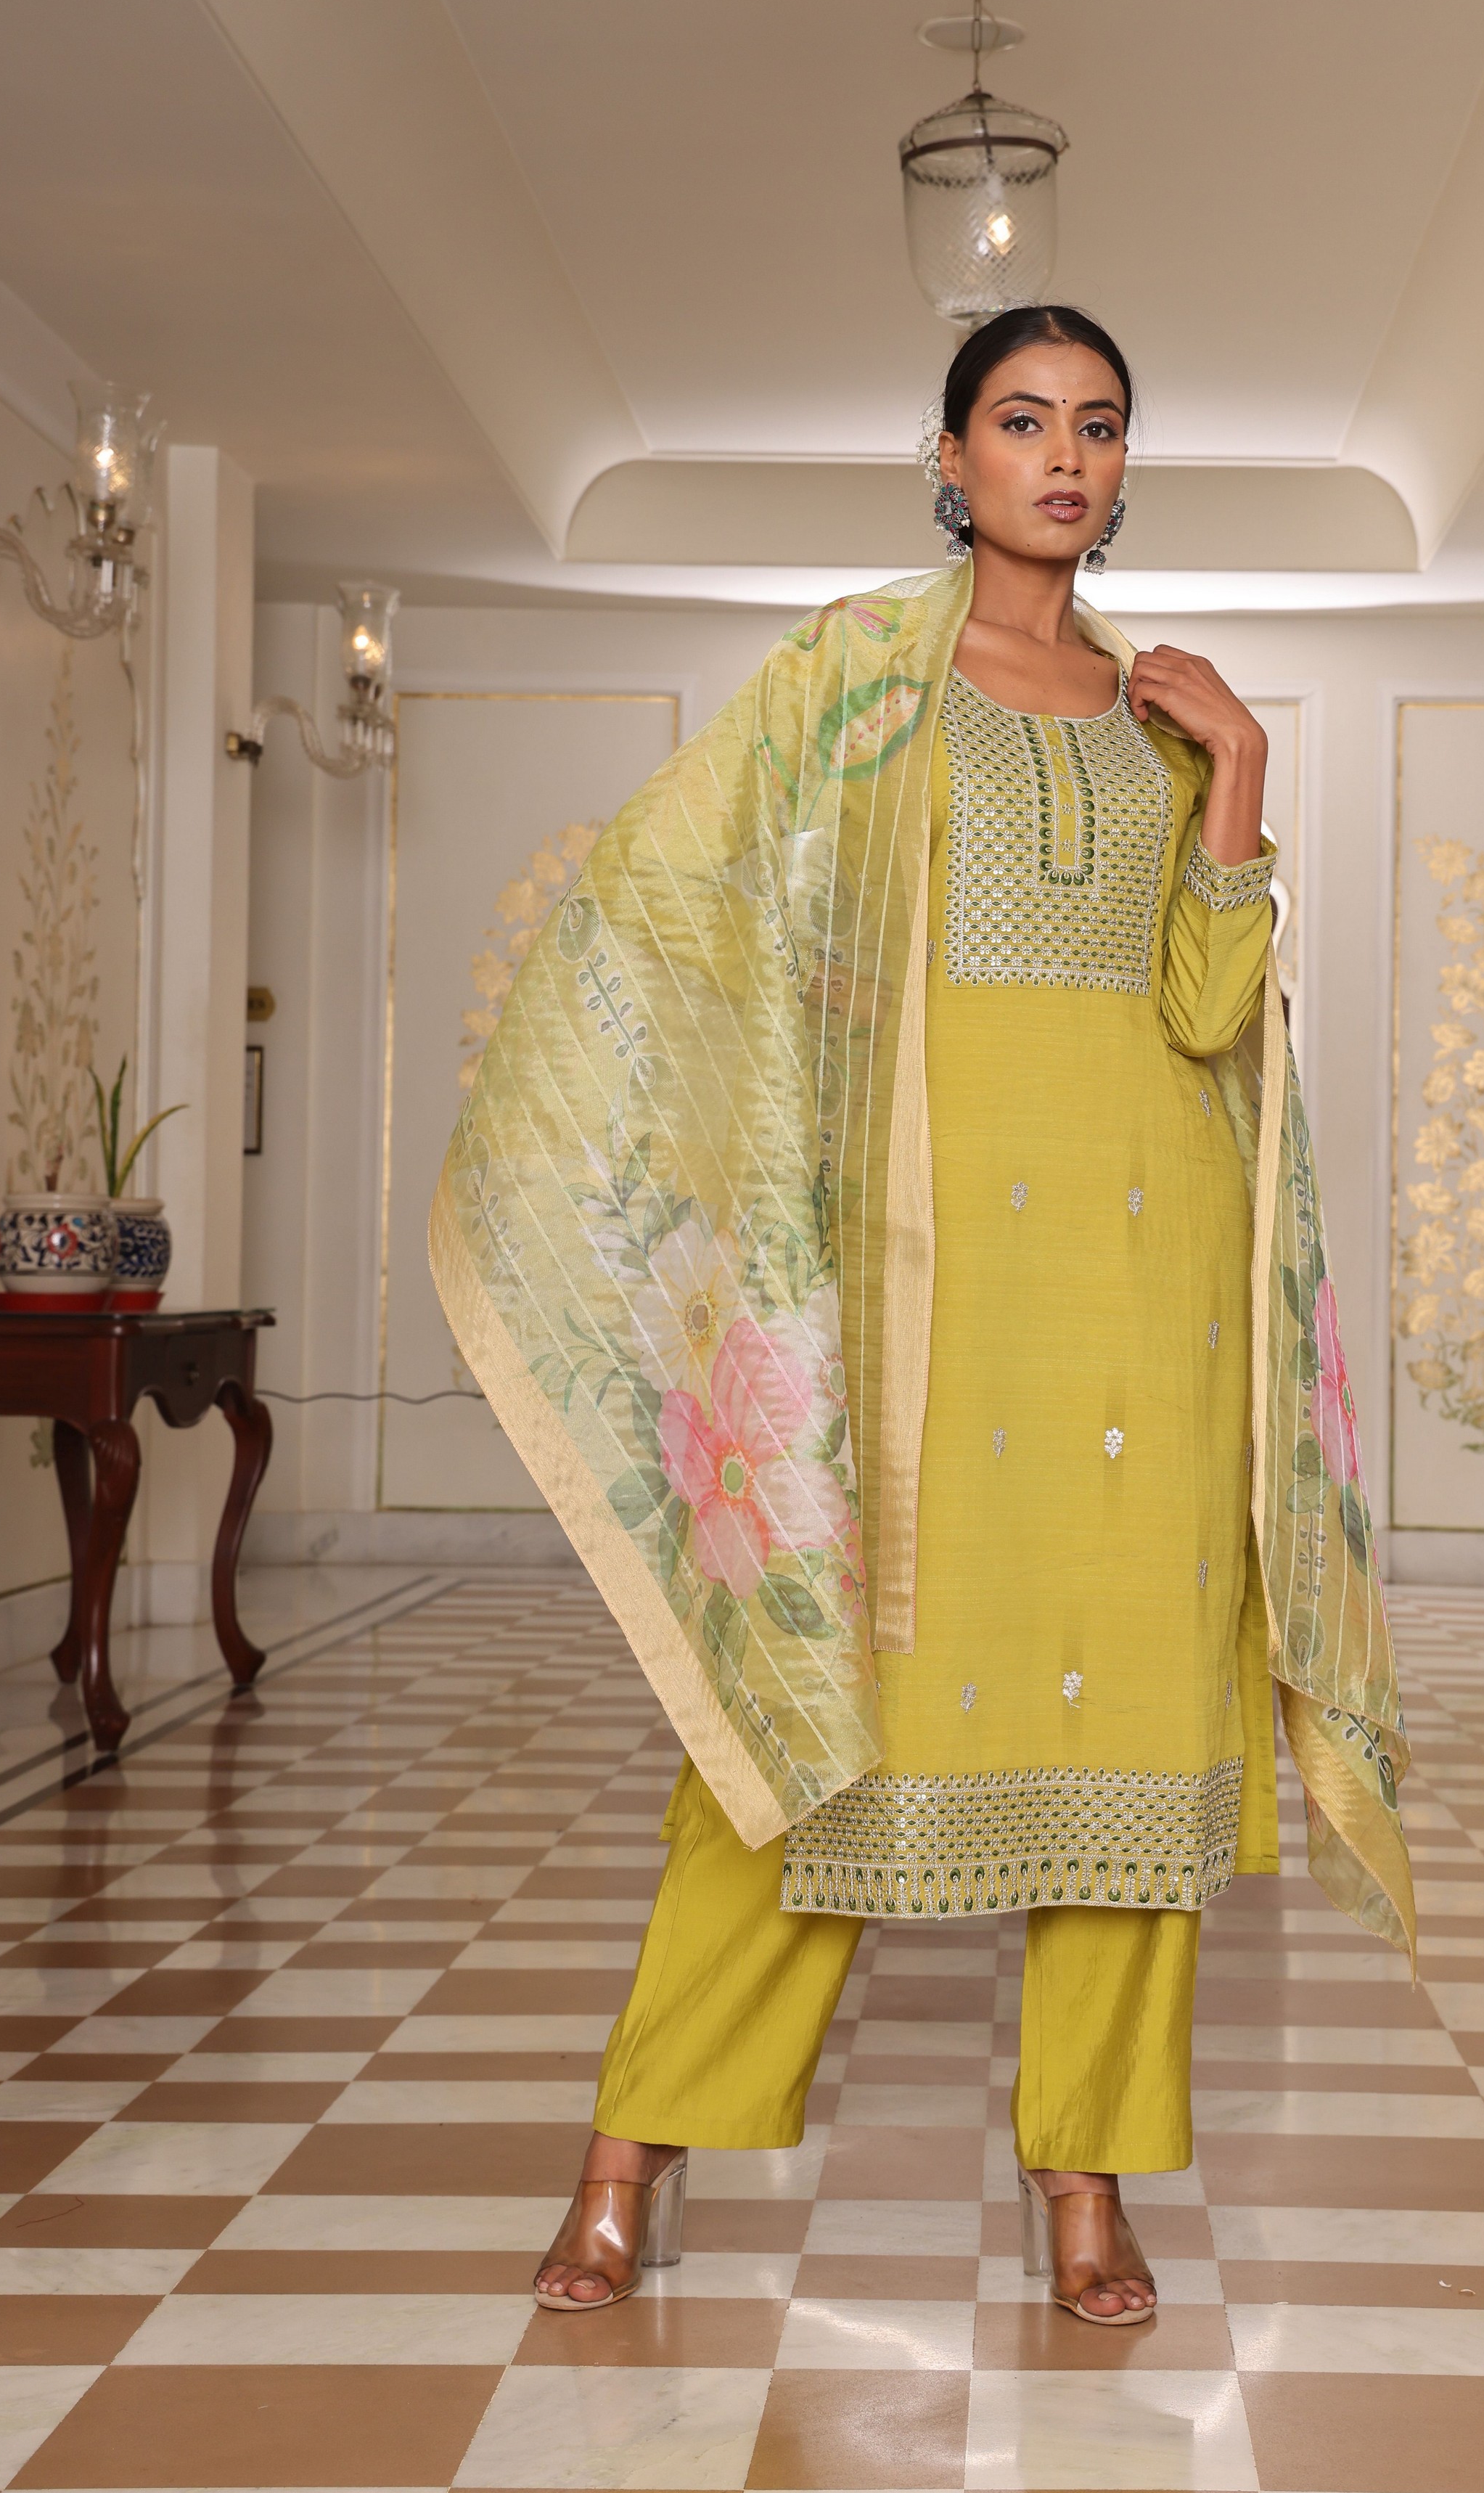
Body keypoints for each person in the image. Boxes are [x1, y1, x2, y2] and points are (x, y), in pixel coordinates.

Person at [432, 304, 1414, 2331]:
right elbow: (686, 904)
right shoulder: (850, 684)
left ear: (1125, 471)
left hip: (1146, 1293)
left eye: (1100, 426)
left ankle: (1088, 2189)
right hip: (914, 1289)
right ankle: (630, 2152)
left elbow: (1209, 1016)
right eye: (1023, 420)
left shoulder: (1170, 719)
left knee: (1136, 1731)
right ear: (951, 458)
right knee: (806, 1722)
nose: (1065, 456)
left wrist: (1241, 769)